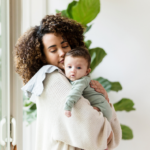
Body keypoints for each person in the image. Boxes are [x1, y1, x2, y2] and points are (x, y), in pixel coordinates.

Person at [14, 14, 122, 150]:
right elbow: (94, 131)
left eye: (65, 46)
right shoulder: (52, 78)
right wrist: (104, 123)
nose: (62, 53)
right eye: (53, 50)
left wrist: (103, 99)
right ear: (41, 56)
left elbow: (109, 138)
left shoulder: (71, 79)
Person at [64, 47, 112, 123]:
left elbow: (75, 93)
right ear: (64, 68)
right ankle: (108, 132)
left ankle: (108, 132)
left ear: (87, 71)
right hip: (104, 107)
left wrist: (67, 107)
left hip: (102, 108)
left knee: (88, 117)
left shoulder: (82, 81)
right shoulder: (74, 80)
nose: (73, 70)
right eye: (69, 67)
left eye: (78, 67)